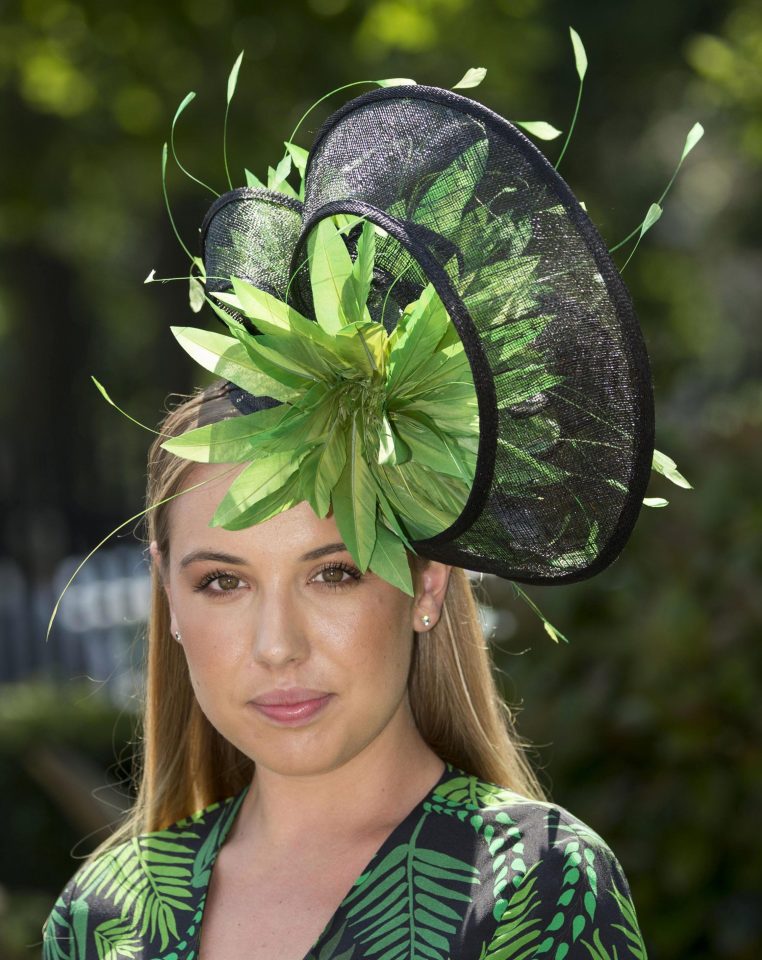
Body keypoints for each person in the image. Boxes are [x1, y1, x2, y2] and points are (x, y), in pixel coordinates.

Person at [43, 74, 655, 959]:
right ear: (170, 604)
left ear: (427, 584)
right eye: (222, 581)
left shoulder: (536, 883)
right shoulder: (104, 916)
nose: (277, 644)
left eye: (334, 571)